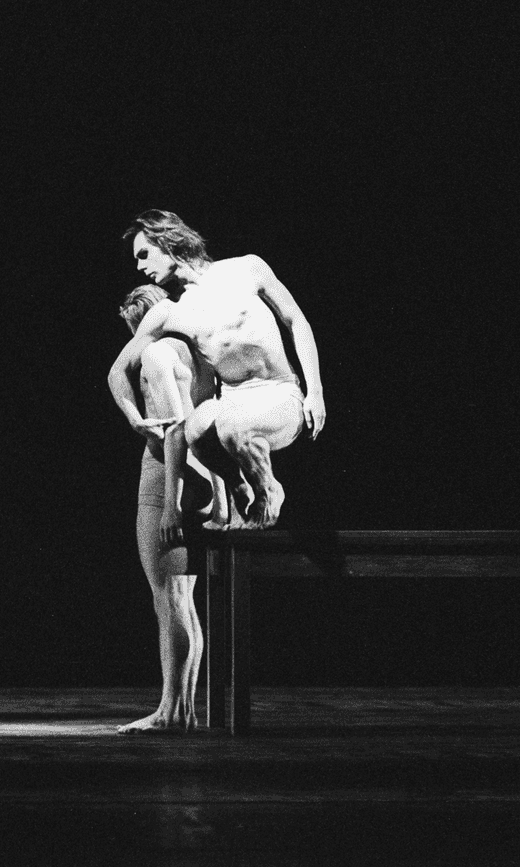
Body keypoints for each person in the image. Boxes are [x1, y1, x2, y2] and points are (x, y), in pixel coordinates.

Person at [108, 210, 326, 538]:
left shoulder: (246, 268)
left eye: (144, 254)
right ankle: (240, 488)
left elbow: (296, 320)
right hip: (233, 401)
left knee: (230, 426)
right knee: (194, 429)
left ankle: (268, 490)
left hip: (280, 393)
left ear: (167, 240)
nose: (139, 266)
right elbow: (118, 371)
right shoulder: (169, 312)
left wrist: (315, 392)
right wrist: (133, 417)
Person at [115, 283, 219, 734]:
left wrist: (171, 506)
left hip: (168, 475)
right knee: (182, 601)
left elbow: (175, 429)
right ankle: (183, 711)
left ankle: (169, 712)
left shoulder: (158, 354)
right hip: (203, 475)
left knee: (168, 600)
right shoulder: (199, 355)